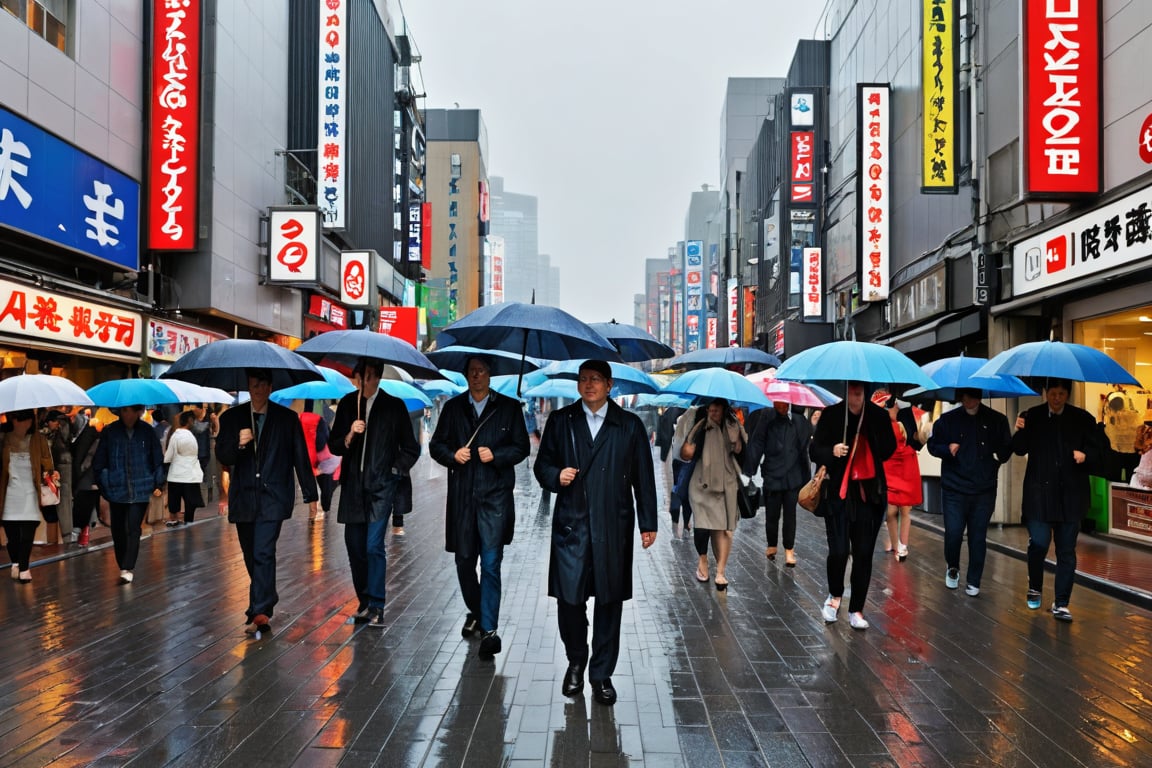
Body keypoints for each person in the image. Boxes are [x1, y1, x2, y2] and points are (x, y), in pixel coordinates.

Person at [534, 359, 657, 706]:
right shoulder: (561, 422)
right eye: (583, 379)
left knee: (609, 601)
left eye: (596, 380)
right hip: (572, 524)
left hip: (613, 525)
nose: (589, 385)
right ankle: (576, 658)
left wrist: (648, 523)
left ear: (609, 384)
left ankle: (601, 674)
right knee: (569, 599)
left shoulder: (628, 426)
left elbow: (643, 478)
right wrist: (556, 476)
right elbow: (541, 465)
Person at [429, 355, 530, 658]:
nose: (476, 376)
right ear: (466, 376)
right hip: (462, 500)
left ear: (490, 375)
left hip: (494, 500)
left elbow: (522, 447)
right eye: (471, 371)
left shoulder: (509, 408)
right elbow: (436, 446)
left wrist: (496, 456)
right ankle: (477, 610)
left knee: (490, 564)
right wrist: (452, 455)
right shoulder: (453, 408)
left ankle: (489, 630)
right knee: (463, 561)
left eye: (482, 371)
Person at [215, 369, 318, 636]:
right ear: (248, 386)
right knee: (251, 554)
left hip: (274, 496)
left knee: (263, 551)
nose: (258, 389)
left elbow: (299, 456)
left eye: (262, 384)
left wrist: (311, 495)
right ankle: (266, 596)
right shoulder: (232, 418)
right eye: (253, 384)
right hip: (244, 497)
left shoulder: (286, 419)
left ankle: (259, 611)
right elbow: (223, 456)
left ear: (271, 387)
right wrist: (238, 443)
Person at [328, 358, 420, 628]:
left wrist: (394, 470)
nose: (364, 382)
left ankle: (377, 604)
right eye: (361, 377)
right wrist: (349, 435)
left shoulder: (394, 406)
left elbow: (411, 448)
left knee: (372, 546)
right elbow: (334, 446)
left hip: (382, 488)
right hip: (353, 489)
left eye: (369, 377)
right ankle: (365, 602)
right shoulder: (347, 405)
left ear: (378, 377)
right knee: (355, 547)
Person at [1011, 378, 1102, 622]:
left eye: (1062, 393)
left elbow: (1099, 451)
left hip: (1071, 496)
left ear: (1068, 394)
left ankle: (1061, 603)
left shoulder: (1083, 419)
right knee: (1039, 543)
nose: (1057, 398)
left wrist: (1086, 456)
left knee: (1066, 551)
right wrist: (1019, 428)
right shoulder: (1032, 416)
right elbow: (1018, 449)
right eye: (1053, 393)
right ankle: (1035, 585)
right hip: (1039, 494)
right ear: (1045, 393)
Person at [809, 382, 897, 630]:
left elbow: (889, 449)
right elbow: (814, 450)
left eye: (860, 392)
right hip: (839, 492)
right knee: (838, 550)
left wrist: (875, 435)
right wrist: (833, 450)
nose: (856, 397)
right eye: (852, 392)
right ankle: (834, 595)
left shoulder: (877, 416)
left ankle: (856, 608)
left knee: (863, 553)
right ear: (846, 391)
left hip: (869, 494)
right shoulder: (831, 415)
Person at [926, 389, 1013, 596]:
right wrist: (947, 449)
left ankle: (974, 580)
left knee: (978, 536)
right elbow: (932, 445)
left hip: (984, 489)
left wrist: (997, 458)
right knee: (954, 533)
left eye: (973, 396)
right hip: (954, 488)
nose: (969, 400)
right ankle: (953, 566)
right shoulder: (947, 420)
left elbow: (1006, 449)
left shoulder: (997, 420)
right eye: (965, 396)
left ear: (981, 396)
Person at [93, 405, 166, 584]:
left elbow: (156, 458)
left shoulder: (147, 432)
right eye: (125, 410)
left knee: (133, 527)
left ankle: (128, 566)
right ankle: (122, 564)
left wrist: (158, 481)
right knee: (118, 528)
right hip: (116, 488)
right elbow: (100, 460)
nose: (129, 415)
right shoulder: (110, 432)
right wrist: (105, 482)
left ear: (139, 411)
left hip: (141, 487)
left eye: (133, 410)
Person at [680, 398, 746, 589]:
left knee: (724, 529)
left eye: (717, 409)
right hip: (701, 484)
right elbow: (685, 453)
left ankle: (721, 571)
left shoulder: (733, 423)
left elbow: (741, 450)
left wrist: (734, 433)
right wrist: (692, 438)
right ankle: (703, 559)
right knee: (702, 526)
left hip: (726, 484)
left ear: (724, 409)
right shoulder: (698, 423)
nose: (713, 412)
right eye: (710, 409)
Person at [744, 399, 811, 567]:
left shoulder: (798, 420)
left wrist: (807, 477)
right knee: (772, 513)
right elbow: (757, 442)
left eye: (784, 403)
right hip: (773, 474)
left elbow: (804, 447)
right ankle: (772, 544)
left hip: (793, 475)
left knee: (790, 514)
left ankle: (789, 549)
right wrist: (749, 472)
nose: (780, 406)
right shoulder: (766, 417)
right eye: (777, 403)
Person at [2, 410, 56, 583]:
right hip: (10, 493)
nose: (26, 424)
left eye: (28, 420)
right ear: (13, 420)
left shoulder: (38, 439)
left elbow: (47, 462)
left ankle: (24, 567)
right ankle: (16, 562)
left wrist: (51, 473)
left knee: (28, 531)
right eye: (21, 420)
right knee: (12, 537)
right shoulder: (3, 439)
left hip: (31, 492)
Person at [873, 392, 923, 561]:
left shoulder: (906, 416)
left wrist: (920, 436)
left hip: (904, 465)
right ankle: (897, 545)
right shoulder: (883, 421)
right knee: (892, 511)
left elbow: (916, 440)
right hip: (891, 466)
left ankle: (903, 546)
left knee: (904, 509)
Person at [163, 410, 204, 526]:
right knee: (190, 500)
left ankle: (174, 519)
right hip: (191, 475)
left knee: (174, 499)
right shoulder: (192, 437)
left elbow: (168, 457)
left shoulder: (176, 436)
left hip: (176, 474)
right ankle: (189, 520)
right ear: (189, 421)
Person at [40, 410, 73, 544]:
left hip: (62, 467)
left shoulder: (62, 432)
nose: (50, 424)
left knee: (63, 502)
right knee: (54, 502)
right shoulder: (48, 434)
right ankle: (58, 539)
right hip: (56, 469)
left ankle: (66, 537)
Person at [299, 407, 336, 522]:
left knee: (316, 478)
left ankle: (317, 508)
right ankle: (322, 507)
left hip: (319, 446)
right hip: (318, 437)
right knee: (321, 480)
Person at [71, 419, 102, 547]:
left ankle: (81, 535)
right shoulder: (95, 437)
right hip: (89, 479)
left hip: (84, 479)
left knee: (84, 507)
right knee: (86, 508)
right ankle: (83, 535)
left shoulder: (88, 434)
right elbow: (89, 459)